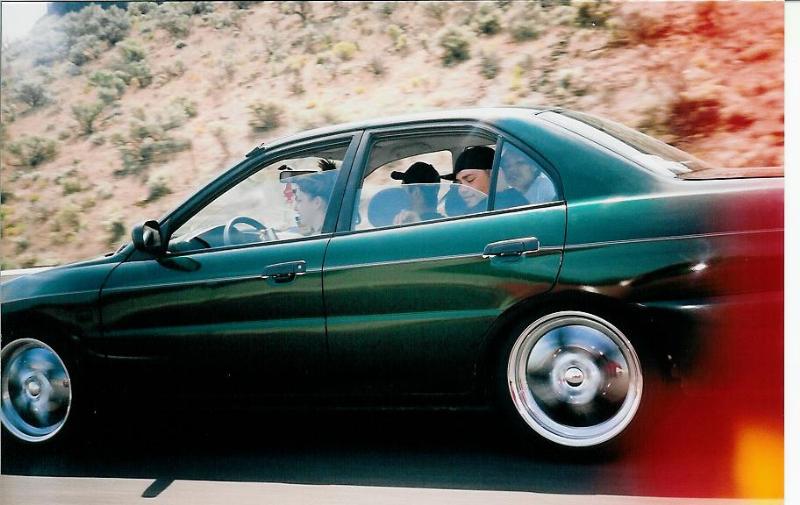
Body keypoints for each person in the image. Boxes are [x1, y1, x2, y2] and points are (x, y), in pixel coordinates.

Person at [442, 146, 527, 215]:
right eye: (459, 183)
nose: (462, 190)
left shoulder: (511, 207)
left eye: (470, 180)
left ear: (496, 176)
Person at [290, 169, 337, 235]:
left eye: (299, 200)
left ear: (317, 203)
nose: (295, 208)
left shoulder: (323, 237)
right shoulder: (334, 231)